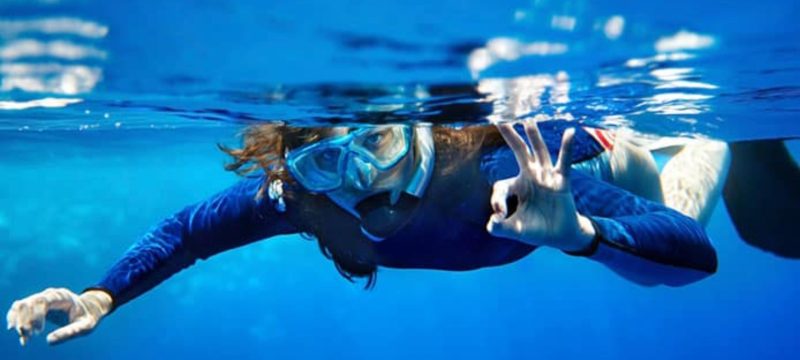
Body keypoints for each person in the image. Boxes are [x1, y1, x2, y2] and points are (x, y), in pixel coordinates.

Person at [6, 118, 722, 346]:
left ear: (414, 127)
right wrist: (103, 296)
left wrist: (585, 232)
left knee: (679, 210)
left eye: (373, 144)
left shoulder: (501, 168)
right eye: (324, 161)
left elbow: (694, 260)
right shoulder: (304, 200)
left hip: (606, 155)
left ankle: (711, 137)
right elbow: (187, 232)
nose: (356, 178)